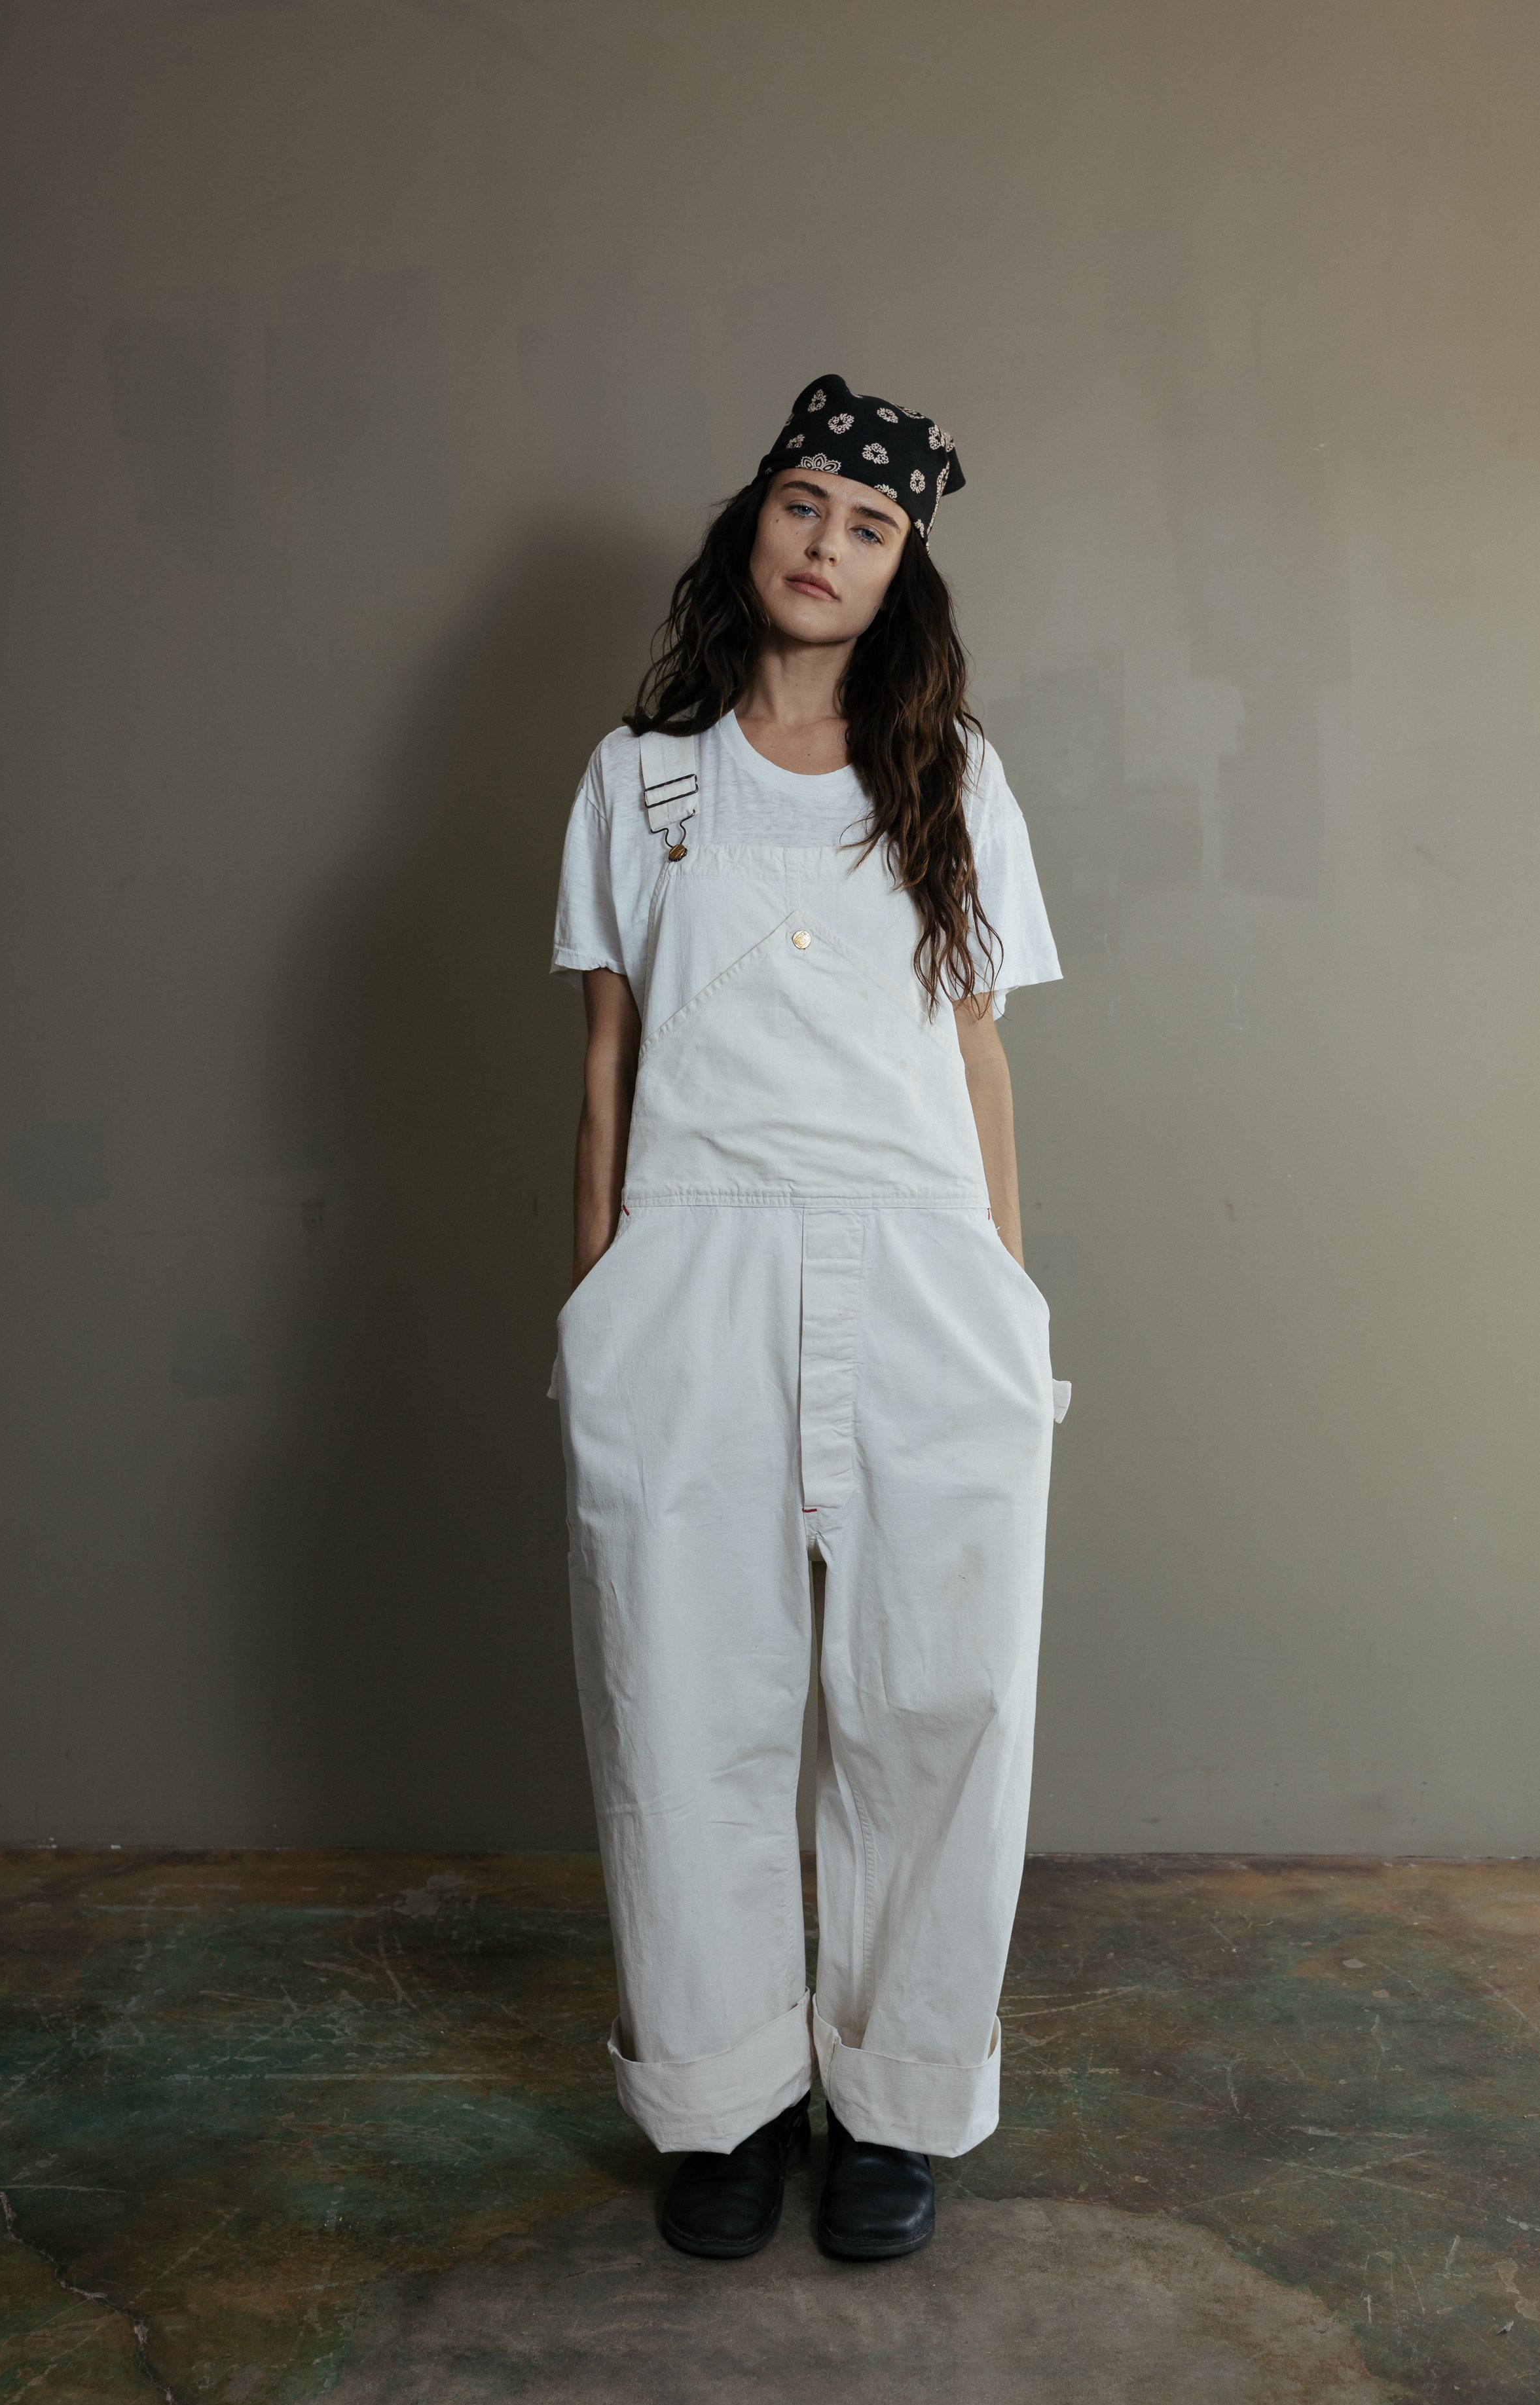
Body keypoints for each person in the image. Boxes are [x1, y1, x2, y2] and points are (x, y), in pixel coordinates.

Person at [549, 374, 1067, 2263]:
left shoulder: (954, 780)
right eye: (803, 505)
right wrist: (597, 1309)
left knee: (939, 1702)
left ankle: (896, 2106)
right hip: (690, 1269)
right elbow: (605, 1067)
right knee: (684, 1697)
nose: (825, 545)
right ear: (750, 523)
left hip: (923, 1265)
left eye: (869, 524)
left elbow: (979, 1056)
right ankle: (726, 2106)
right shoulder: (640, 782)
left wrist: (1007, 1295)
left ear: (902, 567)